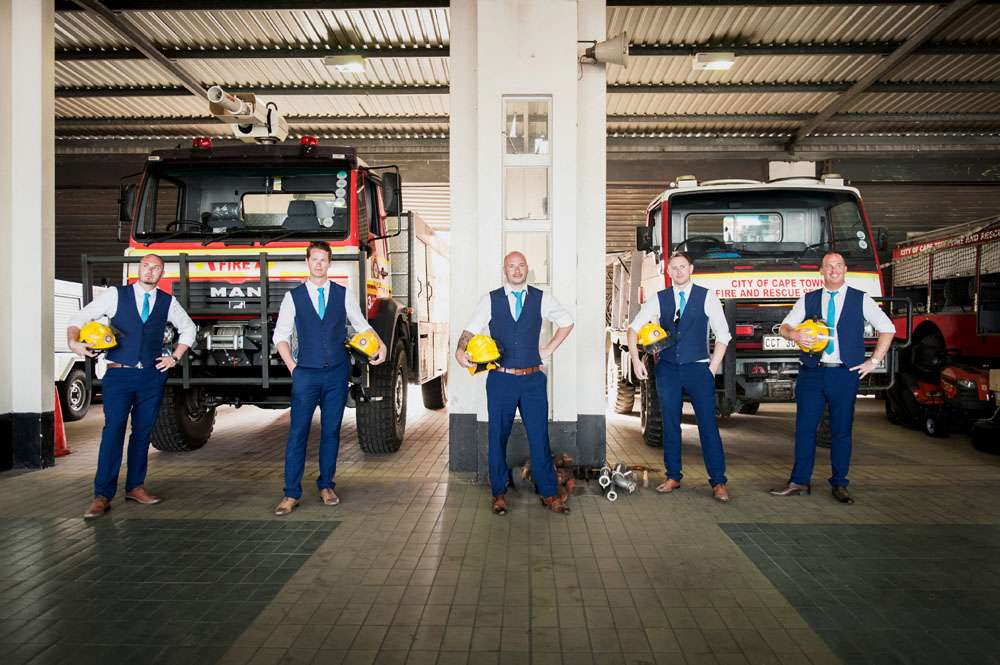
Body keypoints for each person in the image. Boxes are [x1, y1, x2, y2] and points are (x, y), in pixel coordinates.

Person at [68, 254, 196, 519]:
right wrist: (73, 342)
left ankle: (135, 487)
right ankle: (102, 495)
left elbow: (189, 329)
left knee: (143, 432)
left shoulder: (167, 301)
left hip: (151, 376)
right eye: (146, 266)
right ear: (139, 269)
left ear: (162, 273)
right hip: (119, 375)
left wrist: (174, 357)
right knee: (113, 430)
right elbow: (80, 317)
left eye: (156, 268)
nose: (150, 271)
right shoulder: (116, 295)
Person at [770, 251, 895, 504]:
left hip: (844, 373)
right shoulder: (808, 299)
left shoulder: (861, 299)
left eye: (838, 265)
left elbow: (888, 328)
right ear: (821, 271)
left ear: (845, 269)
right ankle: (799, 482)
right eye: (829, 266)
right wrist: (794, 335)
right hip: (812, 372)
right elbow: (784, 327)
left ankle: (839, 483)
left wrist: (873, 361)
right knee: (805, 429)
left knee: (841, 430)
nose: (834, 270)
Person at [272, 240, 386, 516]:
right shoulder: (293, 297)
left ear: (329, 263)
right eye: (315, 259)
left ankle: (326, 486)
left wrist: (381, 344)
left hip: (336, 374)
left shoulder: (342, 294)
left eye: (323, 259)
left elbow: (361, 326)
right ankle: (291, 493)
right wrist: (293, 368)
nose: (319, 264)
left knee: (331, 432)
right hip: (306, 375)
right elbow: (280, 336)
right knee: (298, 433)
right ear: (307, 262)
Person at [456, 251, 574, 515]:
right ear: (504, 270)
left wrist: (548, 349)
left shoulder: (542, 298)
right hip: (501, 379)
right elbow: (470, 330)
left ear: (527, 269)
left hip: (533, 381)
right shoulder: (491, 299)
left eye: (521, 265)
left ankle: (549, 493)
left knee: (539, 437)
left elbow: (567, 322)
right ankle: (498, 493)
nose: (517, 270)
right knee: (497, 436)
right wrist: (460, 349)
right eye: (512, 266)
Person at [627, 251, 733, 502]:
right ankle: (673, 476)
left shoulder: (707, 297)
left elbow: (723, 335)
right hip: (668, 370)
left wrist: (711, 368)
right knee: (671, 424)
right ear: (668, 271)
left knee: (708, 425)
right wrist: (635, 361)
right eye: (673, 267)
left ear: (691, 269)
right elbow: (633, 329)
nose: (678, 271)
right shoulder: (659, 298)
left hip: (698, 369)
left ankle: (718, 481)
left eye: (682, 266)